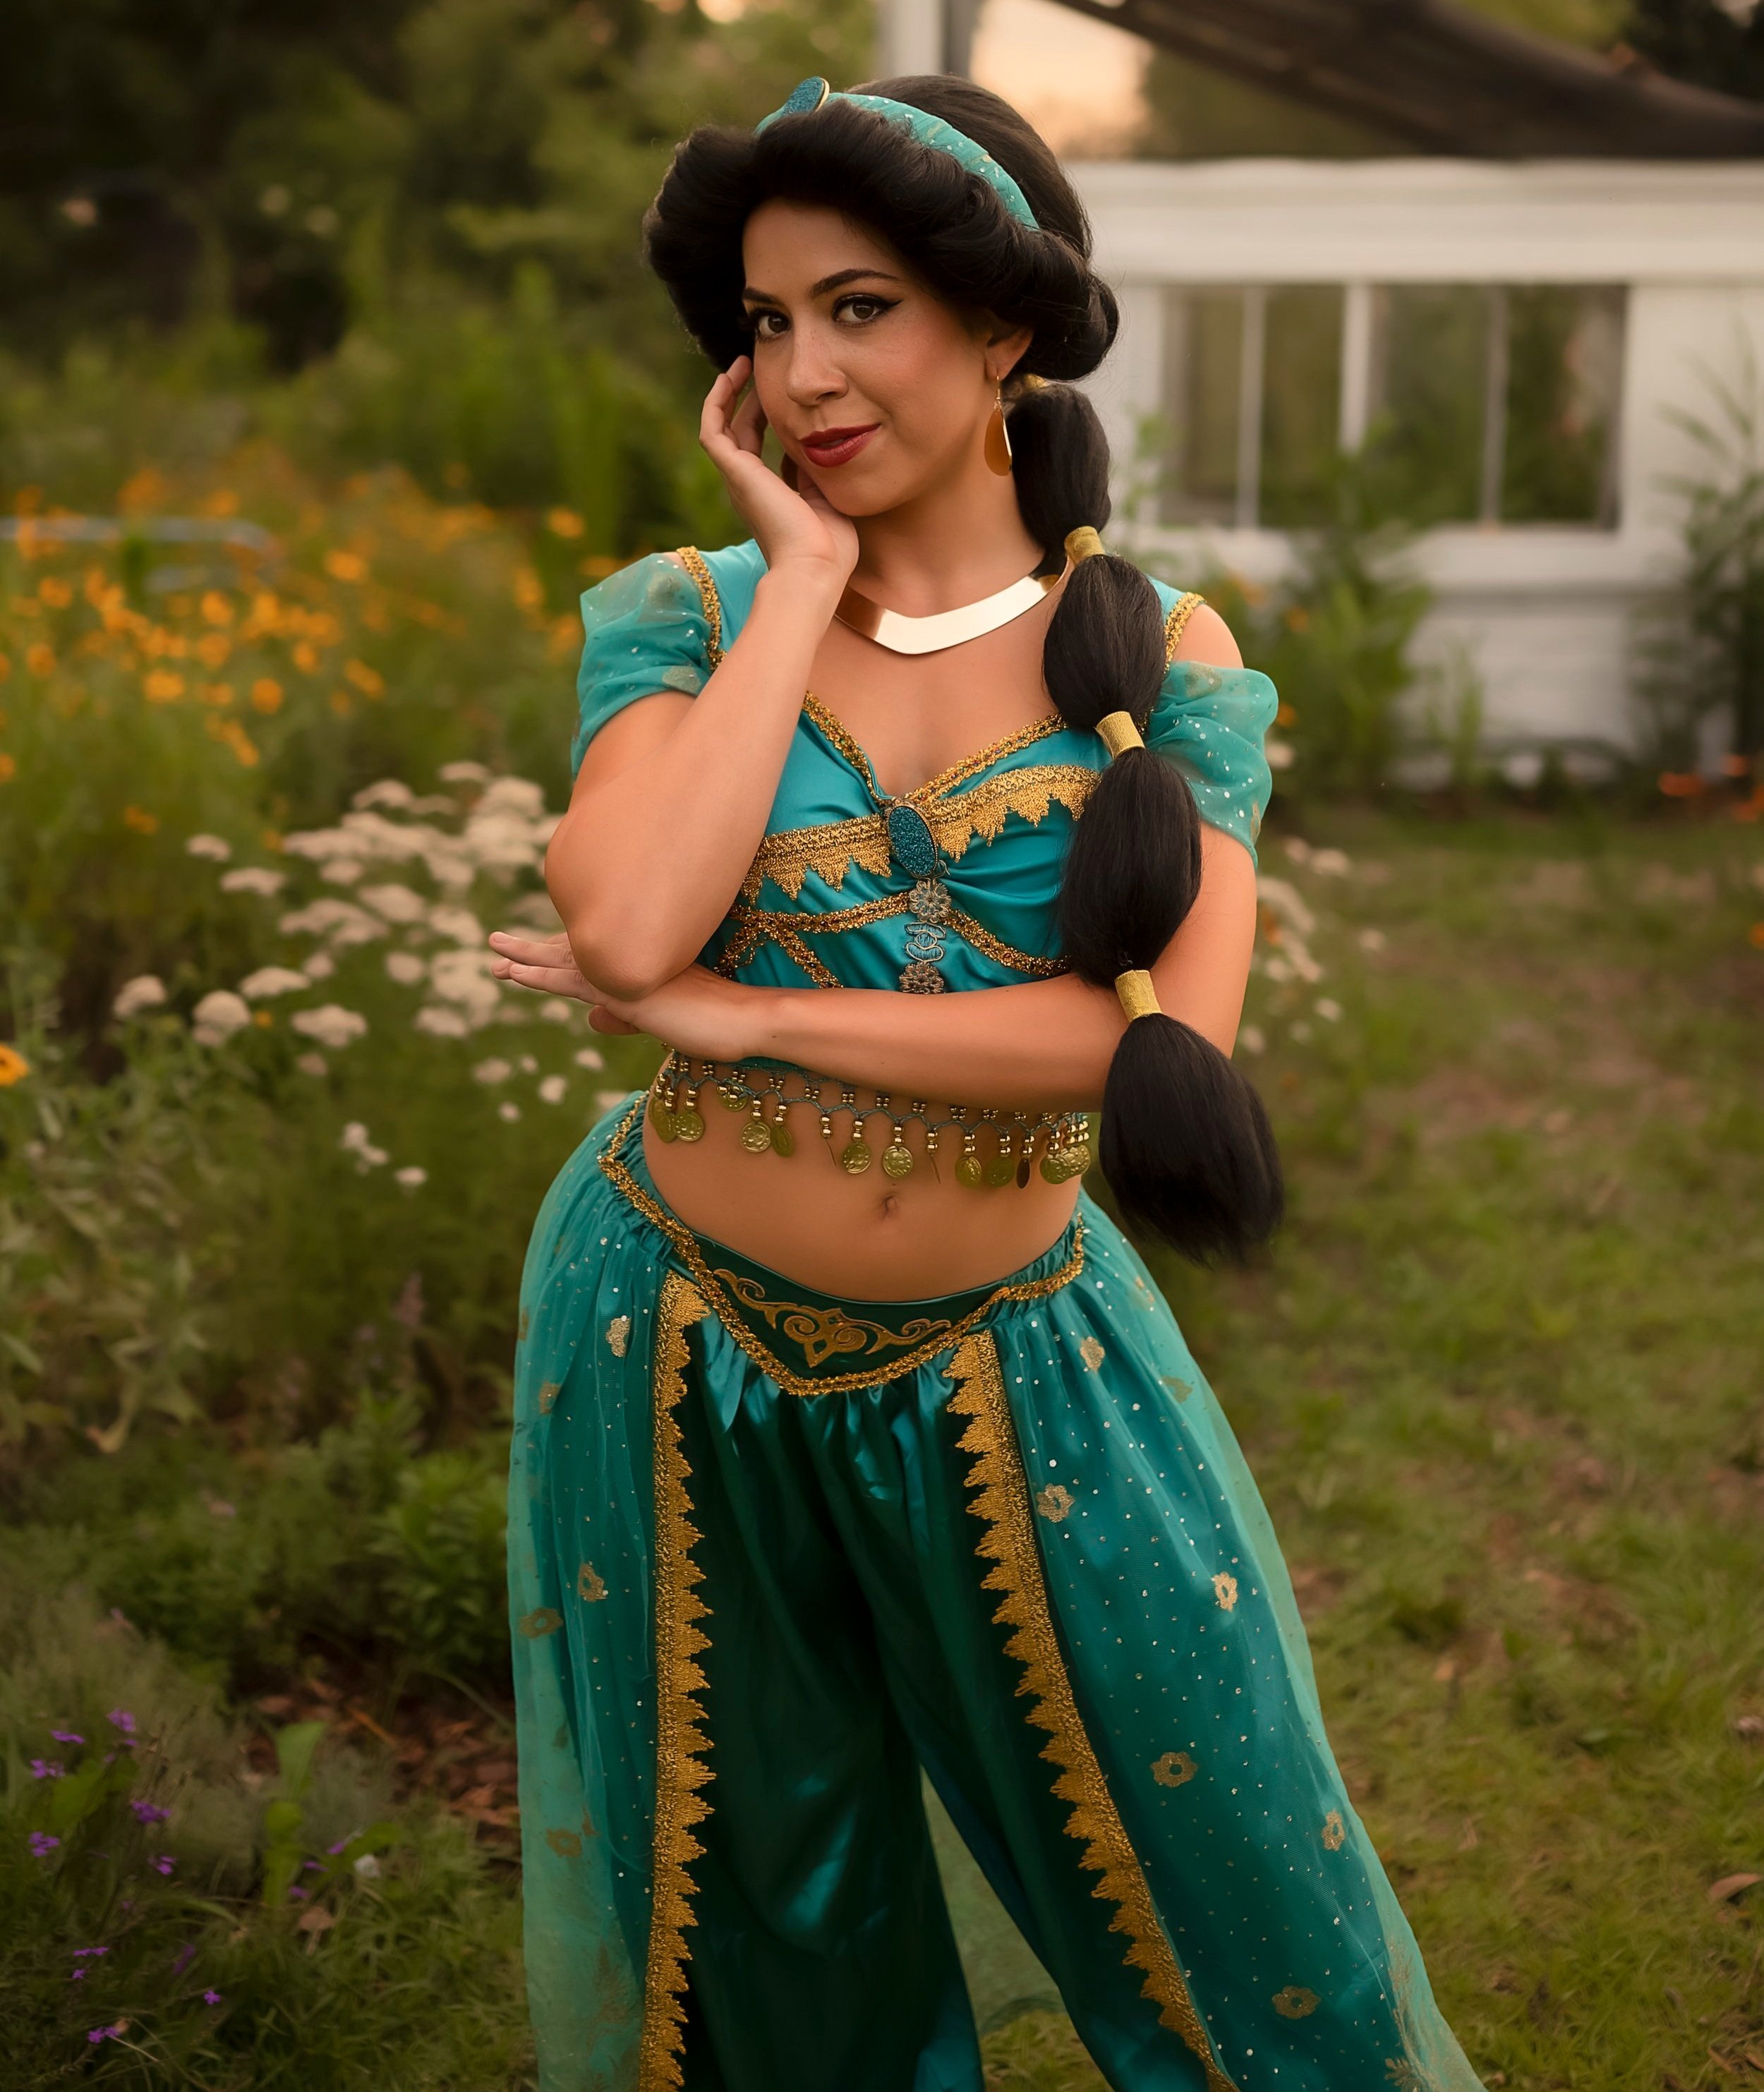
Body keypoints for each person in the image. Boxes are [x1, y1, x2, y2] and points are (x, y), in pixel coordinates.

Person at [487, 74, 1484, 2092]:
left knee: (1232, 1896)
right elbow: (621, 930)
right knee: (767, 1908)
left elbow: (1145, 1041)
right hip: (673, 1342)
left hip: (1012, 1358)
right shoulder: (679, 619)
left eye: (858, 309)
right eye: (764, 327)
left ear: (1002, 327)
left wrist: (753, 1017)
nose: (801, 375)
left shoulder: (1160, 663)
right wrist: (785, 586)